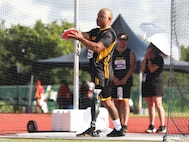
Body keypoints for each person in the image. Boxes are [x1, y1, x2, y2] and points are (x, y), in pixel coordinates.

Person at [68, 8, 125, 137]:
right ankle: (119, 128)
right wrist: (70, 34)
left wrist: (81, 39)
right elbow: (84, 34)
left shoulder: (109, 34)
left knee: (96, 98)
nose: (98, 18)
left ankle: (93, 128)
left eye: (101, 16)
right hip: (96, 71)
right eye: (98, 16)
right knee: (107, 101)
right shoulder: (96, 31)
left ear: (109, 19)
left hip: (103, 72)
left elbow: (97, 47)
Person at [111, 33, 136, 133]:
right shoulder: (112, 53)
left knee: (125, 102)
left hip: (126, 80)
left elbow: (132, 66)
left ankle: (125, 124)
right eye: (121, 39)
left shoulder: (130, 52)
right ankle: (118, 123)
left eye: (125, 39)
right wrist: (114, 78)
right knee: (116, 102)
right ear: (117, 40)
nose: (123, 41)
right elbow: (109, 67)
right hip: (115, 80)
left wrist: (125, 78)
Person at [140, 42, 166, 133]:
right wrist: (145, 58)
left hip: (156, 83)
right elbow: (142, 69)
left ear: (154, 49)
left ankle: (162, 125)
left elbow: (152, 69)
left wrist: (150, 59)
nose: (148, 48)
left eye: (150, 47)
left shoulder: (159, 58)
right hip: (147, 82)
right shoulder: (147, 58)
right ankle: (151, 125)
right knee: (150, 105)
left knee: (158, 104)